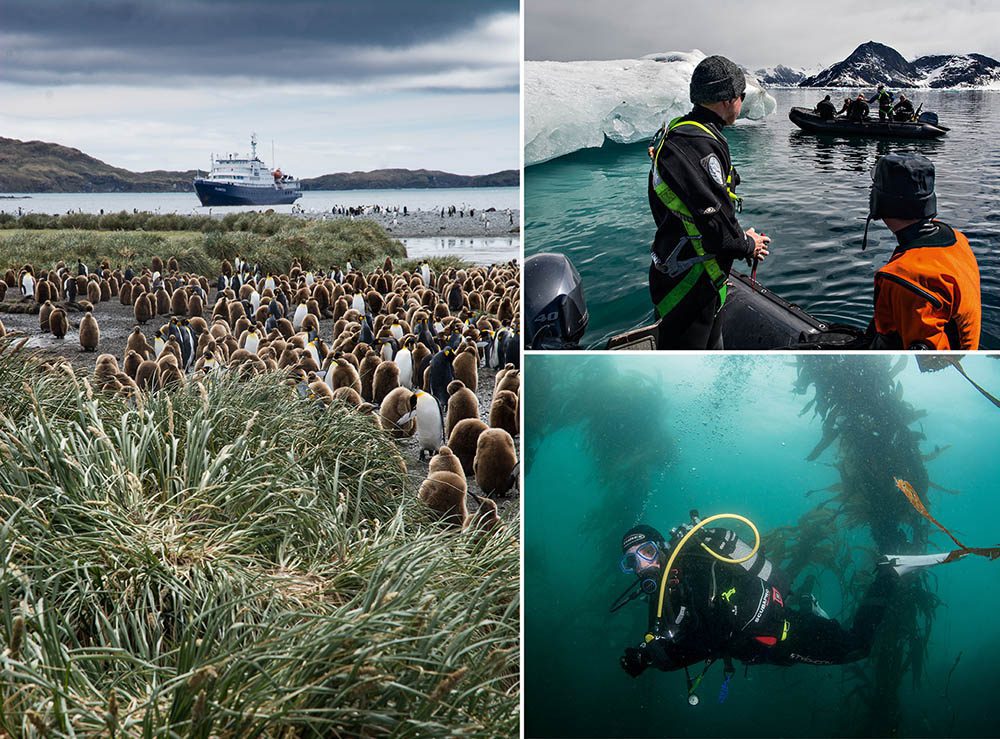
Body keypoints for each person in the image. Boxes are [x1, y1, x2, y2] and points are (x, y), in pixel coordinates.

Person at [616, 520, 951, 685]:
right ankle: (813, 608)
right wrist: (644, 658)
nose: (642, 565)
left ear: (661, 547)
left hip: (782, 635)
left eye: (646, 552)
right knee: (830, 635)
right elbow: (670, 640)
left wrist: (657, 659)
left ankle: (889, 573)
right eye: (632, 562)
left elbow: (709, 640)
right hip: (768, 642)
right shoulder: (663, 598)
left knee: (857, 646)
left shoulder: (694, 570)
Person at [646, 55, 771, 349]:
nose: (742, 103)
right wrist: (748, 244)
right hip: (690, 280)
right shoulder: (697, 144)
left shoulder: (685, 133)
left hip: (691, 269)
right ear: (727, 99)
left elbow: (696, 209)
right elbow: (715, 229)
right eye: (741, 96)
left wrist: (740, 237)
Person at [864, 153, 981, 349]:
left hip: (929, 371)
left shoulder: (907, 277)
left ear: (880, 201)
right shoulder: (955, 238)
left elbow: (927, 362)